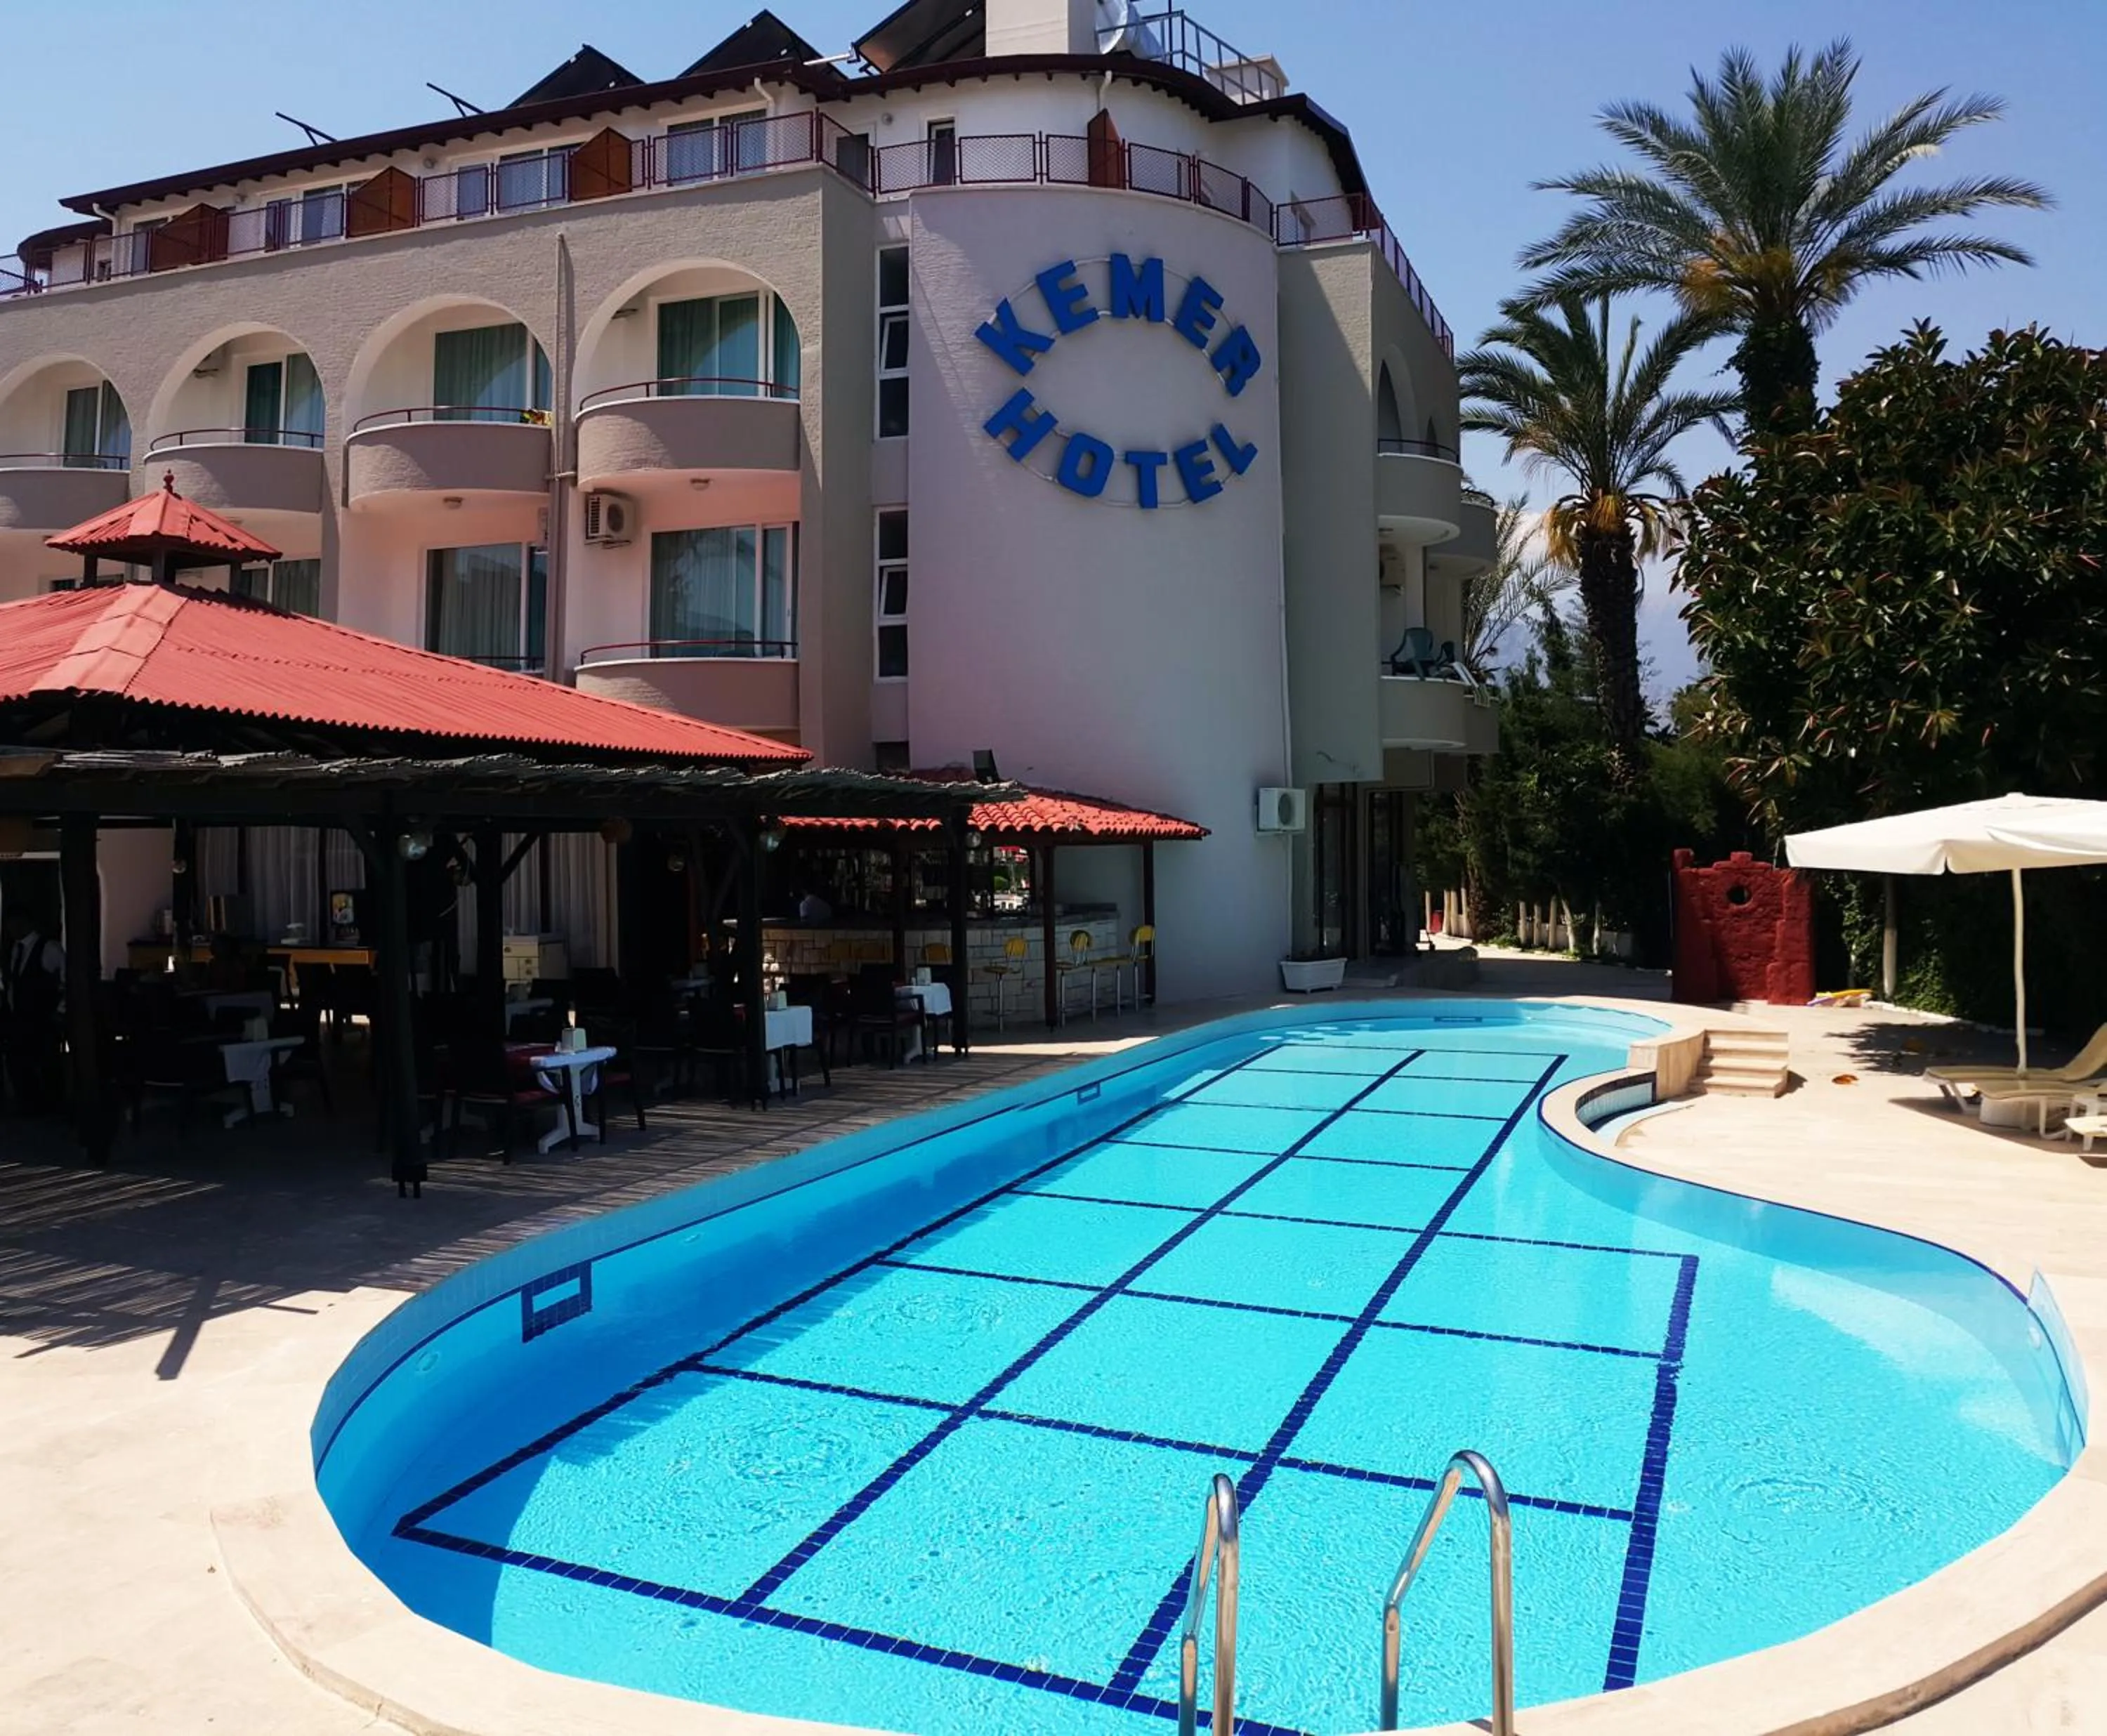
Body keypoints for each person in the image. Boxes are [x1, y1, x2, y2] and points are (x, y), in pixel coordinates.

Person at [1, 907, 65, 1115]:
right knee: (18, 1062)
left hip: (42, 1019)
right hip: (19, 1018)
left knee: (46, 1064)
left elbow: (68, 981)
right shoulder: (16, 949)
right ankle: (31, 1106)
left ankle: (50, 1107)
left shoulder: (49, 949)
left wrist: (59, 1010)